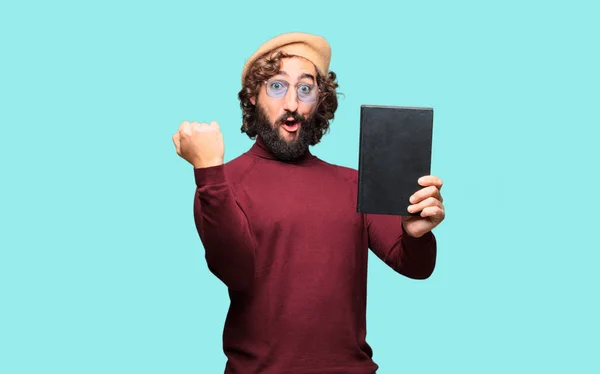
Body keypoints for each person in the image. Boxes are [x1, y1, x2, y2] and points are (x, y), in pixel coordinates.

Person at [172, 32, 445, 374]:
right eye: (276, 87)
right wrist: (208, 171)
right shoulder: (221, 183)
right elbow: (236, 272)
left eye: (305, 89)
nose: (291, 103)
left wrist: (416, 234)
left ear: (319, 102)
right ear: (254, 97)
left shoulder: (352, 183)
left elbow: (416, 267)